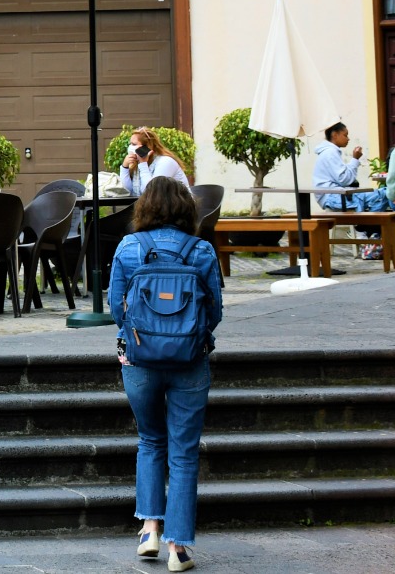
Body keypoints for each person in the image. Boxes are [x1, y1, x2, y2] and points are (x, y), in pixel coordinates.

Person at [108, 178, 223, 573]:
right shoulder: (202, 249)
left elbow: (116, 308)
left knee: (150, 440)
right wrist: (192, 338)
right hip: (190, 361)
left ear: (145, 208)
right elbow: (216, 310)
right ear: (186, 210)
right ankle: (178, 549)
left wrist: (137, 339)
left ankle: (149, 529)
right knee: (184, 453)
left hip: (140, 361)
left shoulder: (129, 247)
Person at [314, 122, 391, 214]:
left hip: (335, 195)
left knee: (383, 193)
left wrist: (355, 160)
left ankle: (368, 224)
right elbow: (345, 179)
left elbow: (342, 176)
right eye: (345, 135)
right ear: (335, 135)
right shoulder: (330, 153)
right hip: (334, 197)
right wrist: (355, 159)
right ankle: (368, 224)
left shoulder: (330, 152)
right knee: (385, 194)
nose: (348, 139)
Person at [119, 127, 190, 196]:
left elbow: (151, 193)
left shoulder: (165, 162)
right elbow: (127, 191)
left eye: (134, 144)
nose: (130, 147)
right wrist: (125, 167)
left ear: (147, 147)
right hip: (156, 206)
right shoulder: (138, 163)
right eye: (130, 144)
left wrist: (143, 164)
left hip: (178, 206)